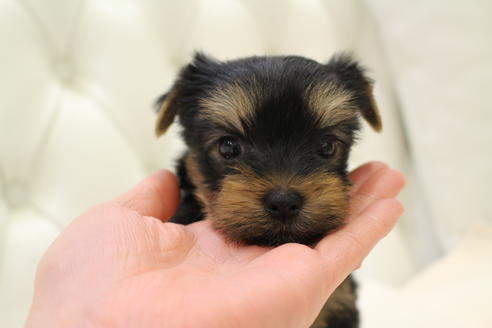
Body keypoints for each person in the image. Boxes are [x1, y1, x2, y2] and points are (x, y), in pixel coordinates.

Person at [24, 162, 404, 328]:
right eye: (229, 149)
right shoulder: (166, 247)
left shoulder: (326, 262)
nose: (284, 192)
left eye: (325, 149)